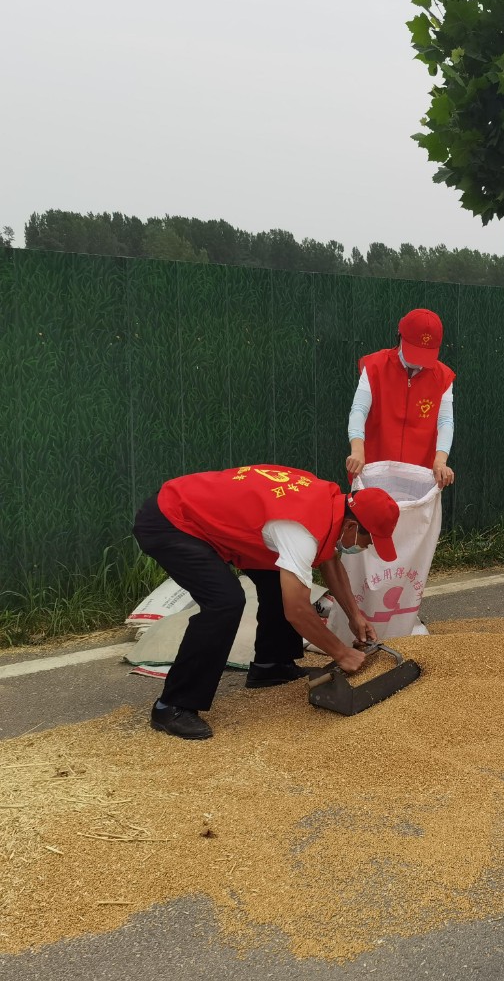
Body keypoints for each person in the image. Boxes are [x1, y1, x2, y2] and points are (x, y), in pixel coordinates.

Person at [132, 465, 400, 740]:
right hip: (172, 519)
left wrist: (355, 615)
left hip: (205, 512)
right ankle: (172, 706)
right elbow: (297, 610)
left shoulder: (329, 504)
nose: (366, 547)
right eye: (368, 541)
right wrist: (341, 653)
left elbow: (329, 560)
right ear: (352, 526)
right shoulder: (301, 531)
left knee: (278, 577)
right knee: (225, 601)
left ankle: (272, 666)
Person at [347, 308, 457, 490]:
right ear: (400, 336)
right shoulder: (375, 366)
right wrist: (357, 450)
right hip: (375, 466)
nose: (419, 361)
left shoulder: (443, 377)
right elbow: (359, 409)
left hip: (418, 471)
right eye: (415, 350)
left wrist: (441, 460)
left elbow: (445, 421)